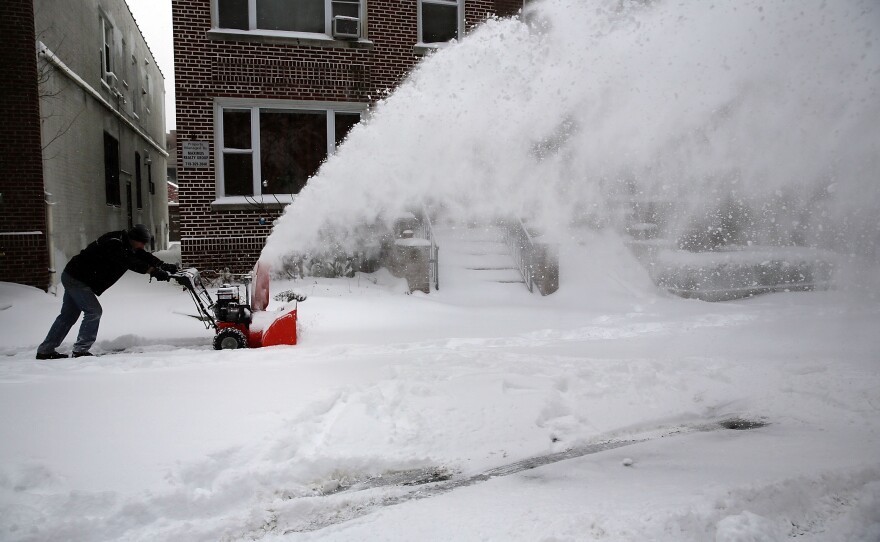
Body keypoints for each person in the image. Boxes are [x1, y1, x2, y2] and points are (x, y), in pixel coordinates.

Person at [35, 224, 178, 359]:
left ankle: (45, 350)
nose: (143, 246)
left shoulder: (125, 242)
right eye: (142, 242)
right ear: (134, 239)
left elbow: (142, 255)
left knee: (68, 315)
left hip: (76, 276)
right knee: (93, 311)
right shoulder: (113, 244)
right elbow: (130, 262)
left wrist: (162, 265)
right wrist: (153, 271)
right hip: (77, 278)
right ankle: (81, 350)